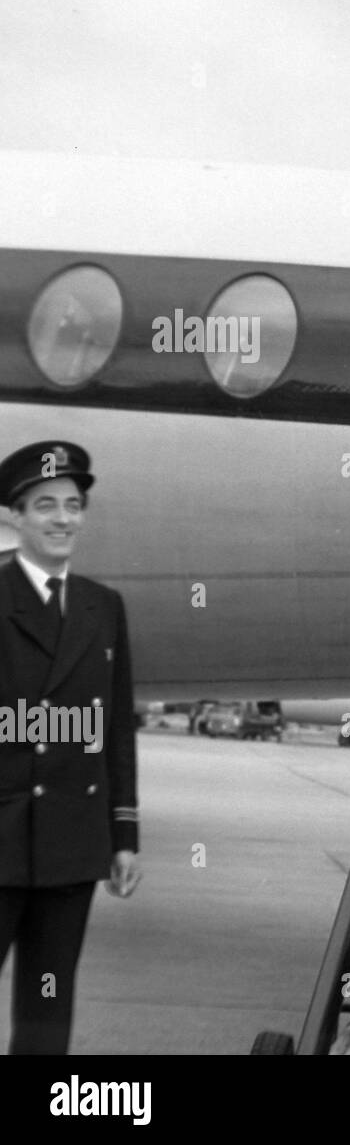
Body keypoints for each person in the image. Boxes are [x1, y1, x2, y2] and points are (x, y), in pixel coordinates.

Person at [0, 441, 141, 1054]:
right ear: (14, 516)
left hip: (71, 841)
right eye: (45, 505)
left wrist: (124, 835)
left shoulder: (102, 607)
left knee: (47, 1010)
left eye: (73, 505)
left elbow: (115, 733)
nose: (63, 518)